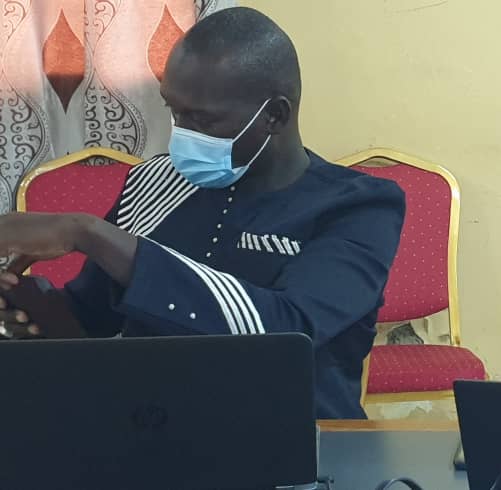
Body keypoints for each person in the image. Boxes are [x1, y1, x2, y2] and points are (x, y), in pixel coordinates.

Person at [0, 7, 405, 419]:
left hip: (294, 439)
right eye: (174, 111)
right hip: (153, 433)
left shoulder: (357, 206)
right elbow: (92, 318)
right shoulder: (154, 183)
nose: (181, 132)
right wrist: (29, 310)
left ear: (274, 115)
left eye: (202, 118)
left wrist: (85, 232)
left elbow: (286, 330)